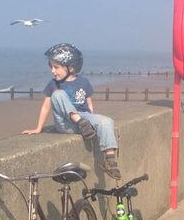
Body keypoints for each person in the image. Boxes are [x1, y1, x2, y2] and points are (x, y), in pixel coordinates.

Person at [22, 43, 121, 180]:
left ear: (71, 68)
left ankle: (109, 160)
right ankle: (78, 120)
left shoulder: (84, 82)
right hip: (65, 122)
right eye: (51, 67)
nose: (52, 71)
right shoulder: (53, 84)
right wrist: (38, 128)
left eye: (56, 67)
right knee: (58, 94)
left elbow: (89, 104)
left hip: (83, 120)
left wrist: (93, 122)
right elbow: (46, 106)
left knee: (107, 121)